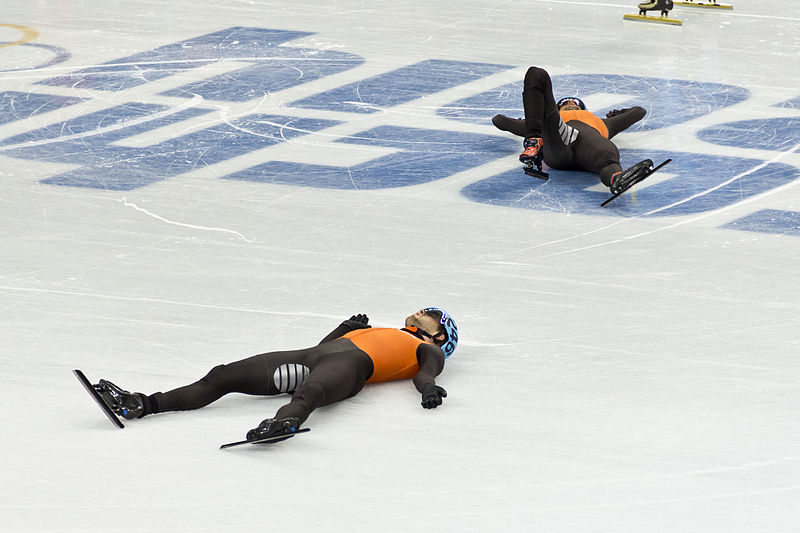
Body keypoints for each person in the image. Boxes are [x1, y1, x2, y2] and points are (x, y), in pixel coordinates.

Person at [92, 307, 458, 442]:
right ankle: (141, 404)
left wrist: (429, 390)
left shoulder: (428, 349)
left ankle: (284, 424)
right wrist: (342, 328)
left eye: (430, 313)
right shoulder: (384, 331)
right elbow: (325, 345)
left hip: (352, 367)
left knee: (310, 392)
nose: (420, 310)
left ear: (440, 335)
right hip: (314, 355)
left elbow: (426, 374)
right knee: (223, 375)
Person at [492, 66, 652, 194]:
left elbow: (639, 111)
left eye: (575, 103)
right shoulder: (545, 121)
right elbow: (499, 120)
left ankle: (616, 179)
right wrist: (533, 123)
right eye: (565, 103)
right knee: (536, 73)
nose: (570, 103)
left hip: (588, 148)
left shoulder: (602, 122)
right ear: (556, 108)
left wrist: (618, 113)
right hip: (558, 142)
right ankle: (534, 140)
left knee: (606, 156)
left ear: (583, 108)